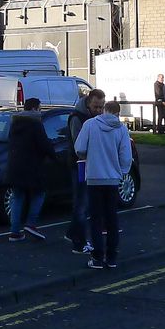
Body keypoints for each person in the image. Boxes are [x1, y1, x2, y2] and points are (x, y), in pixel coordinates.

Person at [75, 100, 133, 269]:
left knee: (96, 219)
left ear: (104, 110)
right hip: (112, 179)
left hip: (94, 177)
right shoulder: (121, 129)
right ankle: (112, 256)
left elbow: (79, 148)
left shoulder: (90, 125)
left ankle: (97, 256)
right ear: (117, 113)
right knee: (112, 219)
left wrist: (89, 155)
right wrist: (121, 172)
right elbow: (126, 156)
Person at [5, 98, 56, 242]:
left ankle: (15, 232)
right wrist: (54, 156)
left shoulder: (14, 123)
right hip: (32, 166)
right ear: (34, 109)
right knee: (39, 192)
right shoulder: (35, 123)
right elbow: (44, 144)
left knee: (17, 197)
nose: (40, 111)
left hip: (14, 166)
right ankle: (31, 223)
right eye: (39, 108)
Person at [65, 90, 104, 255]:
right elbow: (78, 145)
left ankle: (73, 233)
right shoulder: (77, 118)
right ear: (88, 103)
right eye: (96, 106)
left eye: (101, 107)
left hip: (90, 164)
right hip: (80, 165)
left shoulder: (93, 117)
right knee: (82, 203)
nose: (99, 110)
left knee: (84, 204)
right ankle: (79, 243)